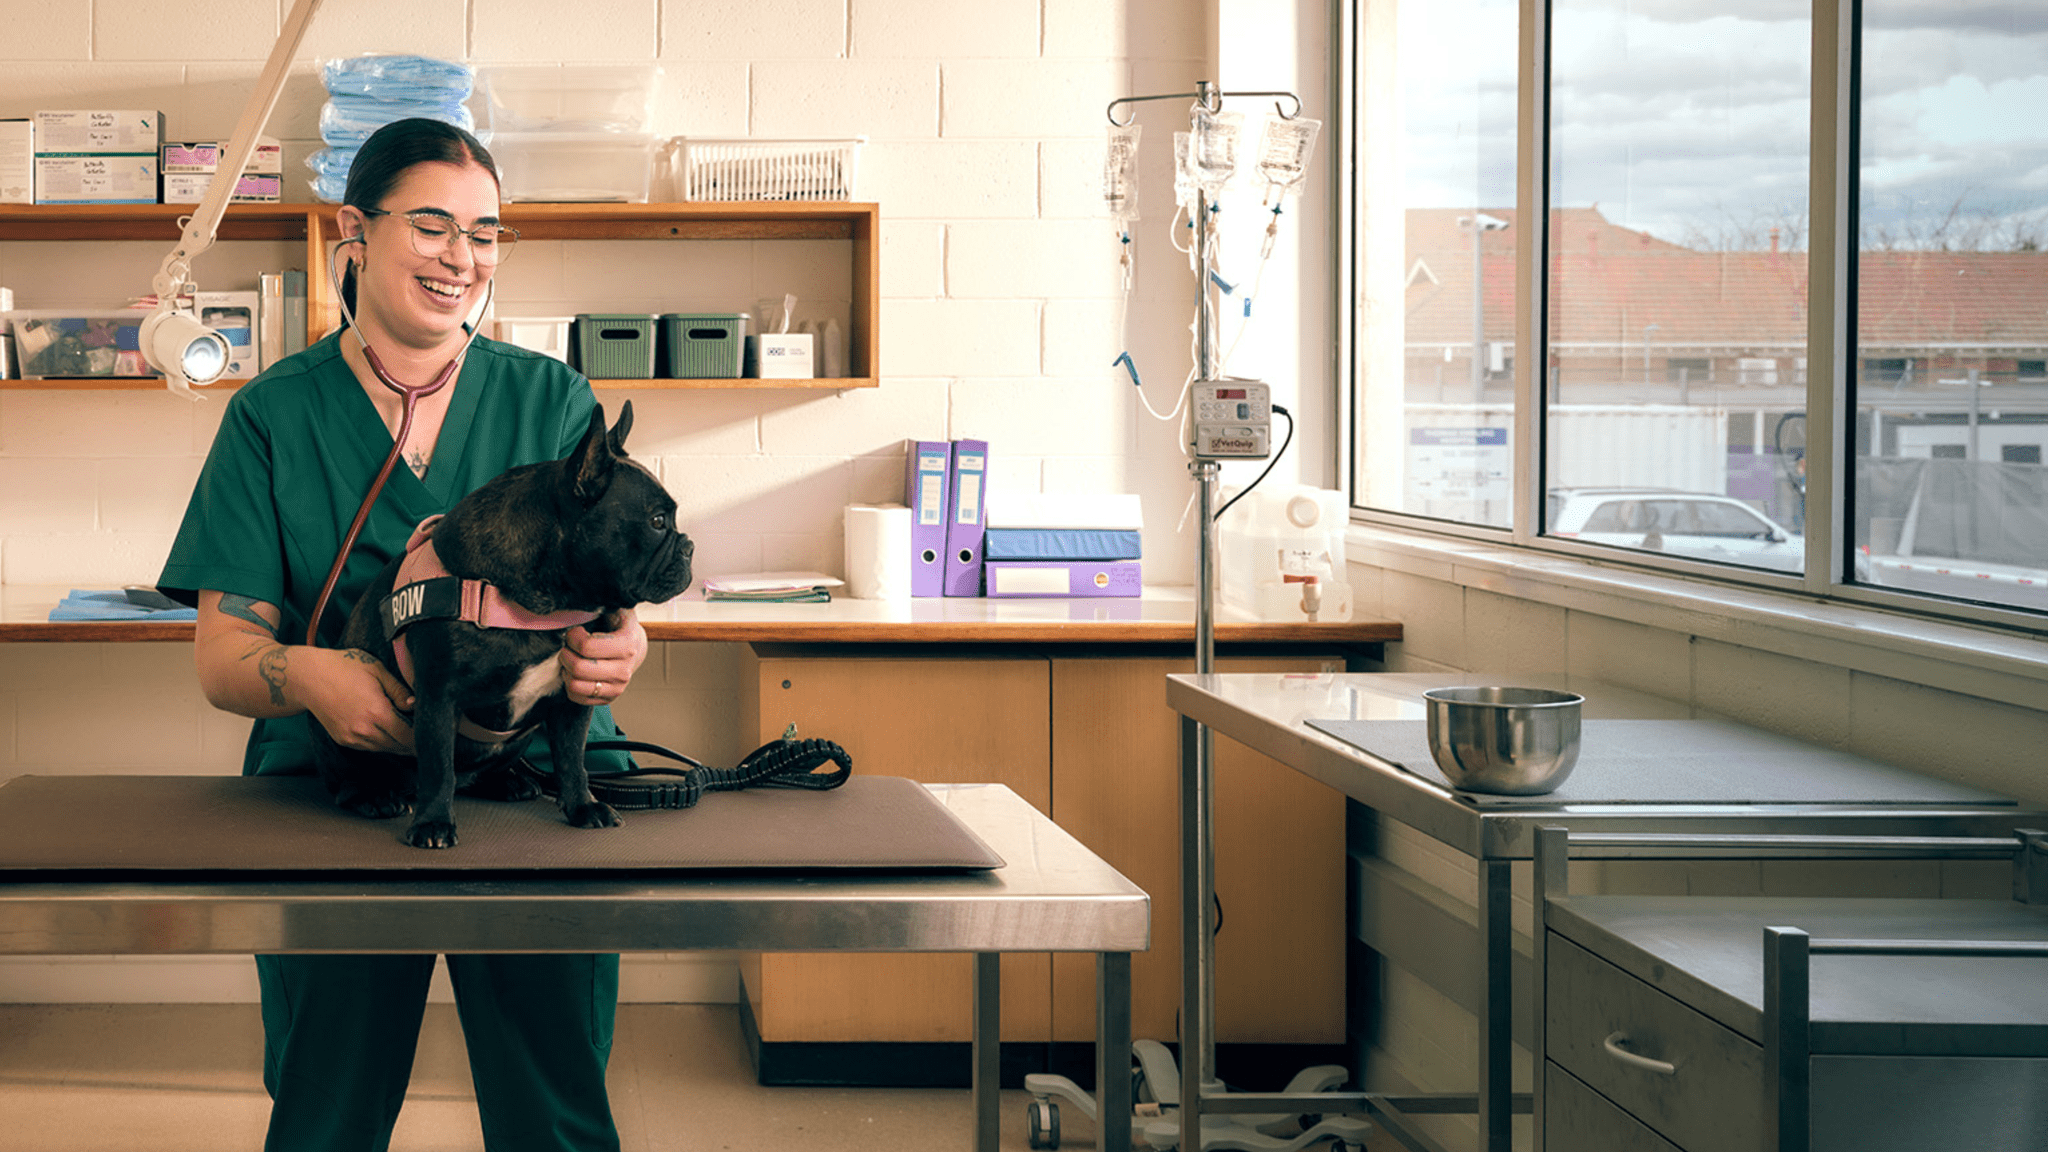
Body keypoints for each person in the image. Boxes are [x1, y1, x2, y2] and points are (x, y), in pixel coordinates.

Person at [157, 117, 644, 1152]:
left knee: (553, 1100)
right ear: (355, 231)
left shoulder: (547, 397)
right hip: (334, 791)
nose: (461, 258)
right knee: (325, 1104)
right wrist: (309, 677)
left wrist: (619, 650)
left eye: (484, 232)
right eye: (430, 226)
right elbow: (222, 658)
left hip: (526, 793)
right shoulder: (274, 415)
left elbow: (608, 599)